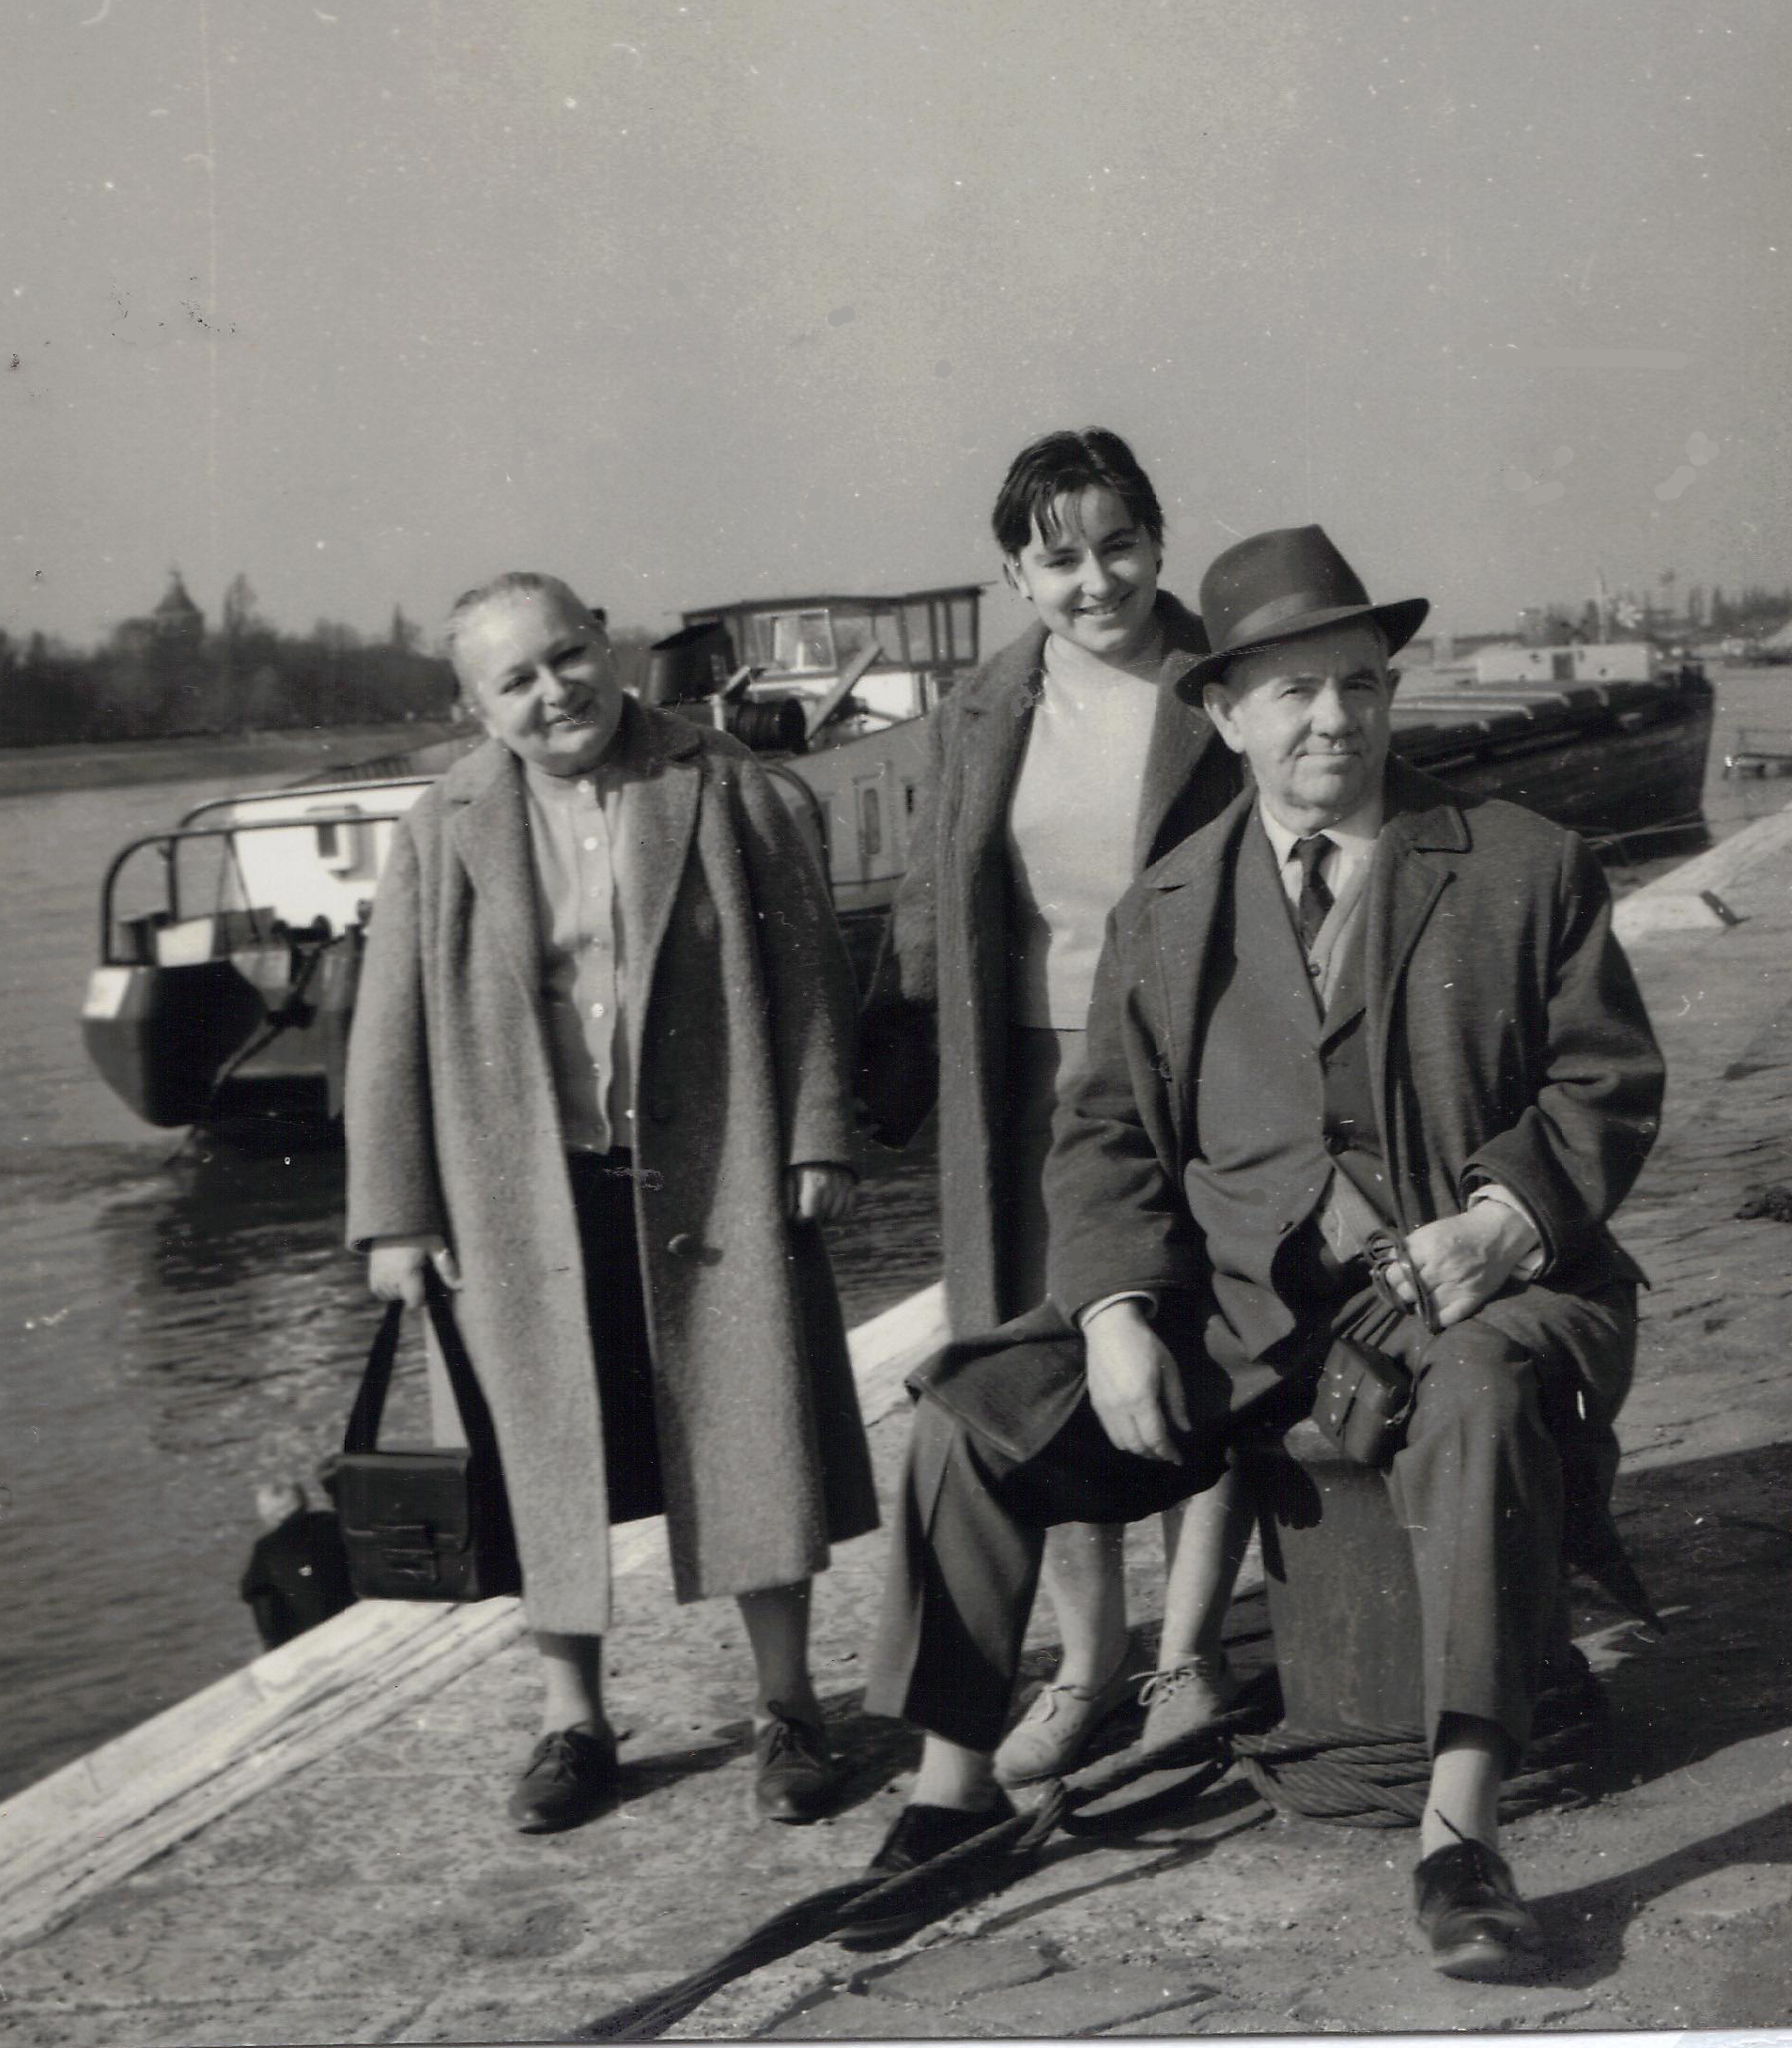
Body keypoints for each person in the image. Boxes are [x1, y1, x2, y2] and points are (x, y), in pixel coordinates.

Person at [857, 525, 1663, 1979]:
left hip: (1480, 1293)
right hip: (1242, 1322)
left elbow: (1604, 1085)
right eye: (1292, 692)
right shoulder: (1165, 912)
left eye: (1359, 683)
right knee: (970, 1416)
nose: (1332, 719)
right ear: (1224, 715)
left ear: (1391, 691)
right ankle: (947, 1795)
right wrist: (1113, 1310)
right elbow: (1103, 1139)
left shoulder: (1523, 867)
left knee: (1481, 1391)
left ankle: (1461, 1836)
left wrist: (1502, 1222)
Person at [345, 572, 878, 1834]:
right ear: (476, 707)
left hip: (715, 1172)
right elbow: (388, 1031)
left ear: (607, 644)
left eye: (568, 655)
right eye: (515, 680)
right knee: (541, 1458)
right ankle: (572, 1720)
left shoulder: (725, 782)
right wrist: (398, 1216)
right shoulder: (442, 826)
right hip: (520, 1195)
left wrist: (816, 1133)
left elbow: (810, 975)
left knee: (751, 1436)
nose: (554, 692)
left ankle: (789, 1707)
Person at [858, 428, 1247, 1787]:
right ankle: (1087, 1664)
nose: (1098, 581)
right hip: (1024, 1083)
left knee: (1204, 1348)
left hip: (1200, 1070)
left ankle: (1189, 1653)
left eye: (1120, 545)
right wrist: (887, 1067)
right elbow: (933, 897)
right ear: (1015, 576)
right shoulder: (985, 705)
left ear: (1160, 539)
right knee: (1041, 1379)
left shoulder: (1223, 679)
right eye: (1060, 559)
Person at [239, 1478, 355, 1651]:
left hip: (310, 1640)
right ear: (304, 1502)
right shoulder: (333, 1522)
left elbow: (260, 1601)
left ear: (267, 1515)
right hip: (354, 1618)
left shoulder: (266, 1549)